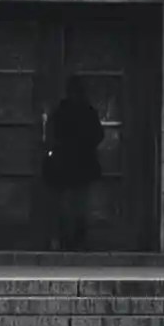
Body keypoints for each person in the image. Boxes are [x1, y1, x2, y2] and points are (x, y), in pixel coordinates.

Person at [44, 75, 104, 252]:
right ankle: (78, 240)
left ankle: (63, 239)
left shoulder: (61, 112)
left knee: (65, 204)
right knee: (79, 204)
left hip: (64, 162)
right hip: (82, 162)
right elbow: (99, 135)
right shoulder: (88, 111)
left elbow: (51, 134)